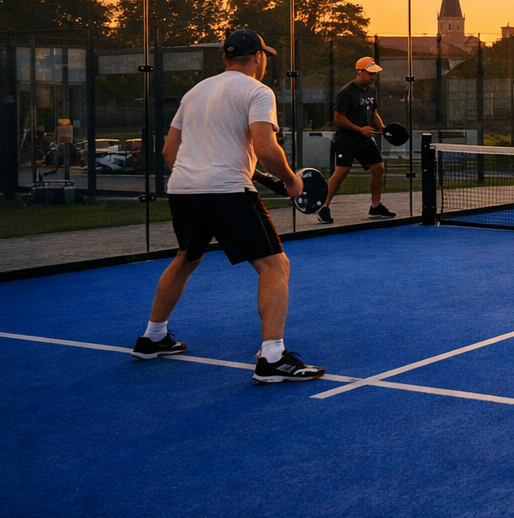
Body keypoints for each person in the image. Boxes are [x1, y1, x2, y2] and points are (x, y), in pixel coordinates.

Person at [131, 28, 325, 383]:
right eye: (264, 55)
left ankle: (152, 337)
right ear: (257, 57)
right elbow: (266, 149)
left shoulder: (194, 92)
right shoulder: (257, 90)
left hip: (183, 188)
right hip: (224, 189)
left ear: (226, 58)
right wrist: (292, 181)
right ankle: (272, 357)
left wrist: (199, 177)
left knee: (187, 257)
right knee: (274, 264)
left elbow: (169, 153)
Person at [319, 56, 396, 223]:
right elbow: (338, 117)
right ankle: (323, 207)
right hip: (346, 138)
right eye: (370, 73)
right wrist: (360, 129)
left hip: (365, 137)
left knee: (378, 168)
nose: (373, 77)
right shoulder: (346, 92)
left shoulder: (372, 91)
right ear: (359, 72)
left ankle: (375, 207)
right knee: (341, 172)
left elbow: (373, 114)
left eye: (375, 73)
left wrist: (383, 129)